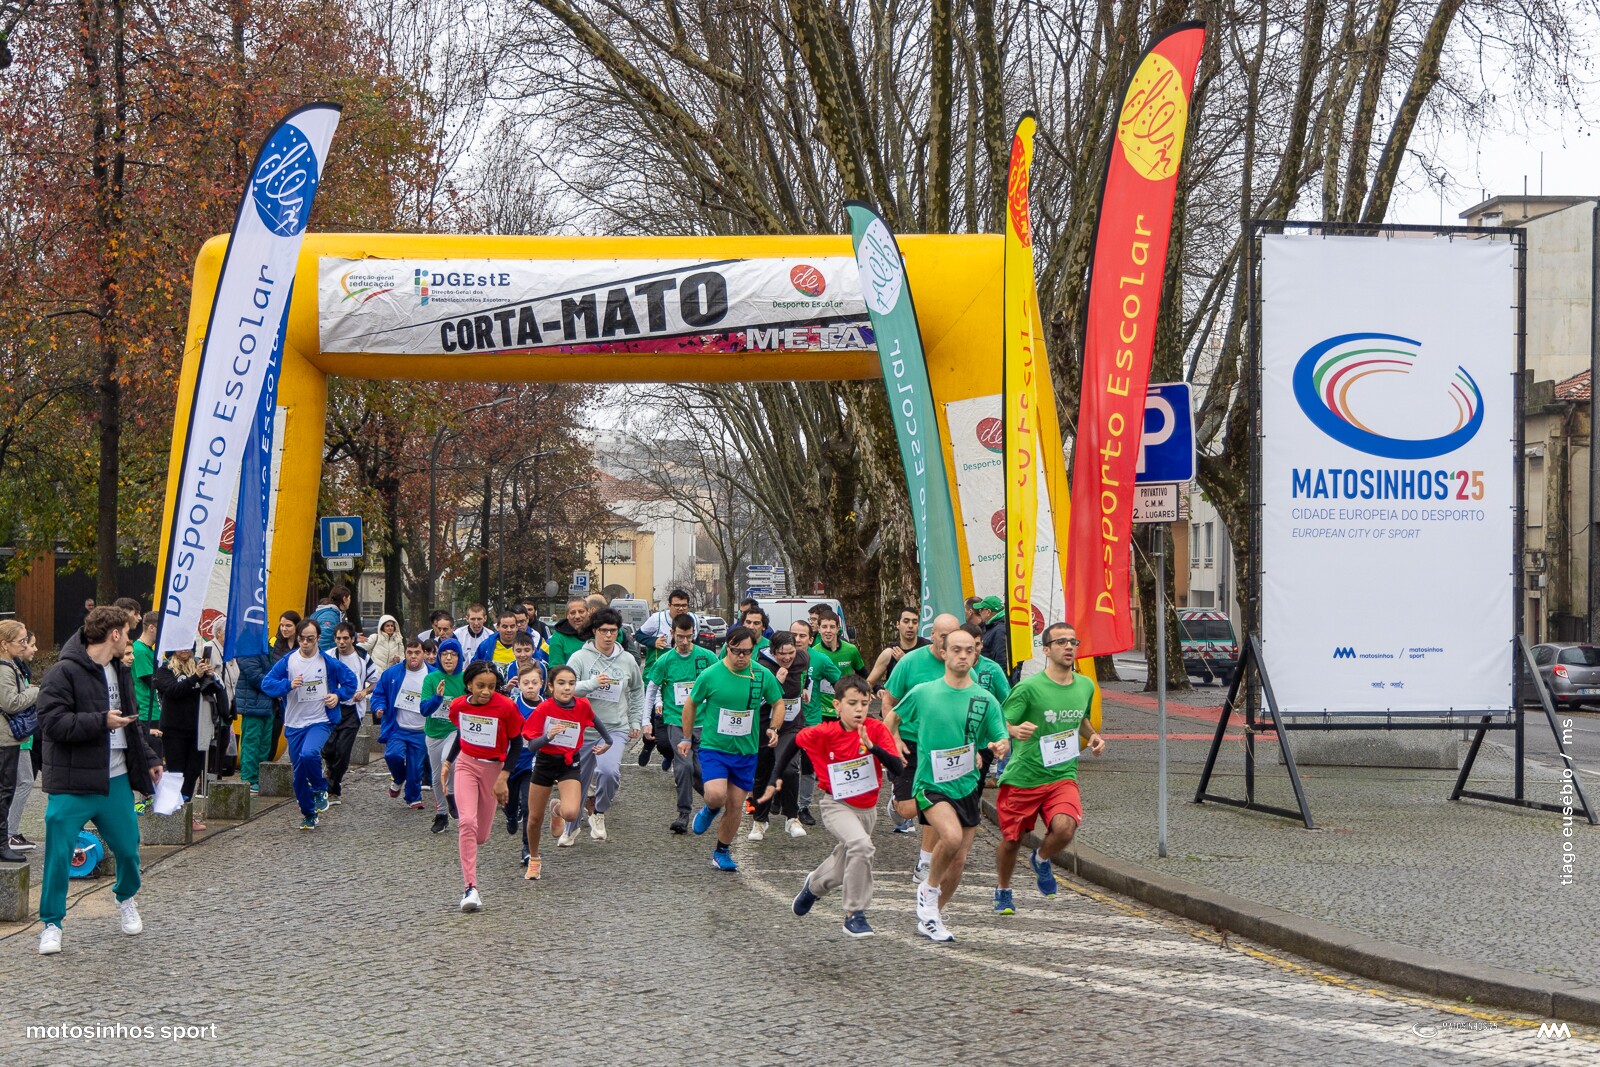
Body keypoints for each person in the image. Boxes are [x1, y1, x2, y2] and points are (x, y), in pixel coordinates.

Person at [35, 606, 165, 955]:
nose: (131, 638)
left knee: (128, 848)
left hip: (117, 778)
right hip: (73, 783)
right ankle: (51, 923)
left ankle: (125, 898)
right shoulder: (62, 672)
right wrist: (99, 722)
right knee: (59, 854)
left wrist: (150, 759)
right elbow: (51, 724)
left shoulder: (120, 670)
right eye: (128, 631)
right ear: (114, 635)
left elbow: (132, 721)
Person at [760, 676, 904, 937]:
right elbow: (795, 742)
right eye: (852, 703)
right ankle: (854, 913)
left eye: (863, 703)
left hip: (867, 809)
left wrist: (873, 749)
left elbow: (897, 767)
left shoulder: (876, 729)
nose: (859, 709)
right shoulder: (825, 732)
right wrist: (775, 777)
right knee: (861, 846)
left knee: (843, 865)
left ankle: (813, 887)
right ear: (837, 705)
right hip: (836, 805)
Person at [894, 627, 1010, 942]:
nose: (962, 655)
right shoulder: (924, 692)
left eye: (968, 650)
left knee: (958, 860)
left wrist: (999, 746)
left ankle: (932, 916)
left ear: (976, 655)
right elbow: (892, 717)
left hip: (968, 784)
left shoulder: (985, 699)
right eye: (955, 649)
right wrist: (894, 743)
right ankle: (927, 888)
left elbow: (999, 735)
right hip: (930, 782)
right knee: (951, 836)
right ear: (944, 653)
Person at [993, 622, 1104, 914]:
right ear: (1046, 649)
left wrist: (1091, 735)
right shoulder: (1028, 688)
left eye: (1073, 641)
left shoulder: (1085, 685)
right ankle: (1003, 889)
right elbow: (1000, 722)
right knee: (1011, 841)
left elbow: (1081, 717)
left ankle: (1041, 859)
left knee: (1066, 829)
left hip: (1062, 775)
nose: (1069, 646)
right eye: (1061, 642)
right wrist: (1014, 731)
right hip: (1025, 776)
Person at [679, 626, 783, 872]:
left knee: (736, 804)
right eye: (737, 651)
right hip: (715, 748)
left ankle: (721, 852)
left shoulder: (761, 674)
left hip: (746, 752)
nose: (742, 657)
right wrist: (686, 737)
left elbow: (778, 703)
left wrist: (774, 728)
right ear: (727, 648)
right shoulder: (711, 674)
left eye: (747, 652)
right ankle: (710, 807)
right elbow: (690, 705)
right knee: (716, 795)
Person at [438, 662, 525, 912]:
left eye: (491, 686)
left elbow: (516, 744)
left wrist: (503, 778)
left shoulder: (506, 707)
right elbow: (462, 733)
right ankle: (470, 888)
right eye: (480, 686)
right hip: (466, 764)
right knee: (466, 822)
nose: (486, 691)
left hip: (494, 769)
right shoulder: (458, 706)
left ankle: (472, 833)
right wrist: (448, 762)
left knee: (481, 836)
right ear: (469, 685)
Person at [259, 620, 357, 831]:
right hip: (294, 724)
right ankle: (309, 813)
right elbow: (267, 684)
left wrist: (337, 696)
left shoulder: (328, 662)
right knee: (299, 775)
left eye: (310, 639)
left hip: (320, 720)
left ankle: (321, 789)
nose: (305, 643)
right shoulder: (289, 661)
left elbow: (351, 682)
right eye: (302, 638)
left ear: (318, 639)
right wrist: (288, 685)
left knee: (309, 753)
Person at [881, 613, 962, 867]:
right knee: (907, 809)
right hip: (910, 741)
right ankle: (895, 807)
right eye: (943, 637)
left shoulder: (963, 664)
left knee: (935, 800)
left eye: (953, 637)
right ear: (934, 636)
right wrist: (893, 738)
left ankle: (926, 860)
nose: (948, 643)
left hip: (945, 748)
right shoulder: (911, 662)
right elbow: (888, 702)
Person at [520, 665, 613, 880]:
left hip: (569, 763)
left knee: (571, 813)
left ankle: (557, 809)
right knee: (534, 818)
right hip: (544, 763)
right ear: (551, 687)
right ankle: (534, 859)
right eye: (561, 683)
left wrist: (608, 742)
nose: (567, 688)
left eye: (571, 683)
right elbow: (532, 745)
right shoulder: (544, 710)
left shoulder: (582, 705)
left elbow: (596, 721)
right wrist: (547, 738)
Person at [560, 608, 643, 845]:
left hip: (614, 728)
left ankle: (598, 811)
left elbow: (637, 690)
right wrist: (592, 684)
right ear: (594, 631)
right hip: (583, 730)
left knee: (609, 772)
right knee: (578, 782)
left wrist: (636, 720)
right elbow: (567, 689)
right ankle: (571, 827)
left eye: (613, 631)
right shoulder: (579, 658)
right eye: (603, 630)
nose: (608, 636)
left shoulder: (627, 660)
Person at [643, 613, 718, 833]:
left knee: (699, 769)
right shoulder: (664, 661)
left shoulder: (707, 657)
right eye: (680, 637)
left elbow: (720, 680)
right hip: (676, 721)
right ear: (672, 634)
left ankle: (713, 801)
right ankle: (684, 813)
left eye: (688, 637)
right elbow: (651, 691)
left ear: (693, 634)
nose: (684, 642)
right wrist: (646, 721)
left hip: (705, 722)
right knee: (684, 765)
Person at [153, 646, 231, 831]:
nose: (184, 650)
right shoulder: (164, 670)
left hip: (197, 728)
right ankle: (173, 814)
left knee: (194, 770)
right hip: (174, 730)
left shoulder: (198, 666)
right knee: (176, 772)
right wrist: (195, 677)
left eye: (188, 646)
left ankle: (186, 812)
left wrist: (211, 676)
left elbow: (216, 693)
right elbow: (174, 691)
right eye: (180, 646)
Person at [750, 632, 809, 840]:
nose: (787, 658)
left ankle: (792, 818)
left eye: (791, 653)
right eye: (782, 654)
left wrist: (805, 688)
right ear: (773, 652)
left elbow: (805, 675)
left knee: (790, 769)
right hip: (765, 725)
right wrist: (775, 683)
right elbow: (755, 703)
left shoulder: (802, 658)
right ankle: (759, 821)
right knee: (763, 773)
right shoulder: (762, 668)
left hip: (791, 726)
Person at [370, 637, 432, 815]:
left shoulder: (432, 674)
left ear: (423, 654)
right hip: (398, 727)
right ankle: (398, 777)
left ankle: (414, 797)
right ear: (404, 653)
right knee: (393, 755)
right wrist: (379, 707)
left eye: (417, 653)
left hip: (421, 730)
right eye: (410, 653)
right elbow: (379, 693)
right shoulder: (392, 674)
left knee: (415, 768)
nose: (413, 656)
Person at [325, 622, 377, 804]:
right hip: (331, 708)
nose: (342, 642)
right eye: (338, 638)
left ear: (353, 639)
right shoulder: (329, 656)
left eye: (345, 638)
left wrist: (364, 692)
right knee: (329, 747)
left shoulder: (363, 657)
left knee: (343, 751)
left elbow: (374, 682)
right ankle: (329, 772)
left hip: (353, 710)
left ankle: (333, 787)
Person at [0, 620, 38, 862]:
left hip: (8, 739)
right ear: (4, 644)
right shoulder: (4, 668)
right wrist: (35, 691)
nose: (25, 645)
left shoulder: (9, 666)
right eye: (21, 641)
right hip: (5, 740)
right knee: (4, 792)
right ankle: (3, 843)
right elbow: (9, 702)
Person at [417, 638, 465, 826]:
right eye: (444, 654)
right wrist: (437, 697)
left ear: (459, 657)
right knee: (437, 777)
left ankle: (452, 794)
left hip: (454, 730)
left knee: (449, 761)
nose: (448, 658)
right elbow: (424, 710)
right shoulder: (431, 678)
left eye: (453, 655)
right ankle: (442, 814)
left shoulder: (464, 679)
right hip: (434, 733)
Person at [504, 664, 544, 860]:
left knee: (529, 807)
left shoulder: (547, 707)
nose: (530, 687)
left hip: (533, 765)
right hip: (510, 763)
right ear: (518, 684)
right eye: (526, 683)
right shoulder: (511, 705)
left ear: (542, 684)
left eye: (534, 683)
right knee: (510, 804)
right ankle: (511, 815)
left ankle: (527, 848)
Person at [233, 620, 275, 796]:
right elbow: (255, 675)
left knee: (264, 743)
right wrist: (276, 685)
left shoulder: (264, 646)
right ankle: (249, 779)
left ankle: (258, 777)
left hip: (267, 702)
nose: (266, 629)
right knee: (252, 742)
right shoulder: (247, 646)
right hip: (253, 703)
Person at [866, 606, 930, 690]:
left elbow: (934, 678)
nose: (910, 626)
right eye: (906, 621)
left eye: (914, 622)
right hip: (896, 701)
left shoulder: (928, 648)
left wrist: (905, 661)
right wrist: (874, 691)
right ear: (897, 624)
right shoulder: (890, 653)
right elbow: (869, 682)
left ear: (918, 625)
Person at [268, 610, 302, 761]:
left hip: (298, 696)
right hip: (277, 698)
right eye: (282, 625)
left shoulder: (303, 645)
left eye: (288, 625)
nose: (284, 629)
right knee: (272, 735)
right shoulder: (273, 643)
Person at [637, 588, 698, 667]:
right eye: (677, 605)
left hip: (684, 666)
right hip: (659, 667)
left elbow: (697, 640)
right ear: (669, 605)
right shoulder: (657, 618)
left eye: (684, 605)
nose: (681, 608)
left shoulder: (694, 619)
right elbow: (638, 635)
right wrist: (653, 641)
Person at [130, 610, 162, 760]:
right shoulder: (141, 651)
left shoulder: (148, 650)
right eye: (160, 629)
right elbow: (151, 680)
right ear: (151, 628)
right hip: (146, 710)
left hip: (153, 709)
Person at [472, 610, 525, 682]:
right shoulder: (486, 645)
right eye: (505, 626)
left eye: (512, 626)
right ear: (497, 627)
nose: (509, 630)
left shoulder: (526, 645)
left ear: (516, 628)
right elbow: (473, 668)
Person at [546, 597, 590, 669]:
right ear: (567, 616)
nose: (577, 616)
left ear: (588, 612)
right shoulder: (558, 637)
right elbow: (556, 669)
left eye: (581, 611)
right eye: (572, 613)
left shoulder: (597, 631)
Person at [308, 586, 351, 653]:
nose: (350, 601)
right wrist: (326, 659)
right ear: (344, 599)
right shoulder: (329, 616)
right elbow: (324, 640)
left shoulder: (333, 614)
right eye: (349, 598)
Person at [976, 595, 1009, 670]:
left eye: (981, 610)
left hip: (993, 677)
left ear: (988, 612)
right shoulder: (992, 627)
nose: (979, 613)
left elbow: (1002, 660)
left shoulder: (1000, 630)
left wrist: (997, 680)